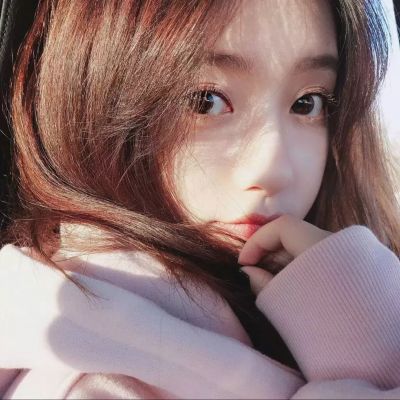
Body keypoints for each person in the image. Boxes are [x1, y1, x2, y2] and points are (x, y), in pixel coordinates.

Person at [1, 0, 400, 398]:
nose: (273, 169)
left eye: (307, 103)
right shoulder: (98, 388)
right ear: (95, 96)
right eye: (205, 101)